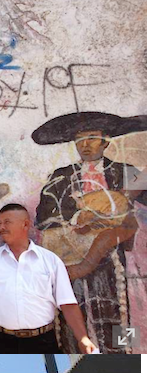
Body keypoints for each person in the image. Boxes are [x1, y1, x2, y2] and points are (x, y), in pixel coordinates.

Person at [32, 112, 147, 352]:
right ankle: (74, 359)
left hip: (112, 254)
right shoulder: (60, 177)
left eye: (92, 138)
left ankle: (125, 358)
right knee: (72, 311)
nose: (85, 145)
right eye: (80, 140)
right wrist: (77, 217)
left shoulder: (125, 172)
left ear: (106, 141)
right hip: (74, 254)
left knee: (119, 308)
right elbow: (43, 217)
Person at [0, 203, 97, 353]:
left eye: (7, 222)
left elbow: (67, 304)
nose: (1, 227)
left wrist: (82, 338)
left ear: (26, 224)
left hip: (42, 342)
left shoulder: (50, 261)